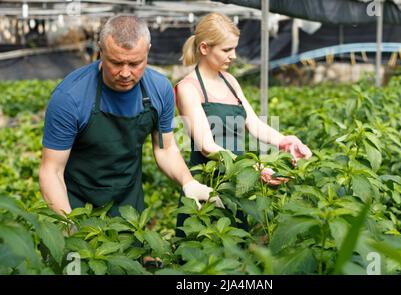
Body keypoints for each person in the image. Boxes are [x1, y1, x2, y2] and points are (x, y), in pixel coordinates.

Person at [39, 15, 217, 217]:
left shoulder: (159, 89)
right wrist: (68, 228)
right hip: (75, 206)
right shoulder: (70, 97)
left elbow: (166, 149)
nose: (125, 73)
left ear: (147, 51)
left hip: (129, 210)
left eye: (134, 63)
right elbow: (51, 171)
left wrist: (188, 181)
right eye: (115, 62)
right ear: (101, 50)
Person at [174, 12, 312, 234]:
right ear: (204, 48)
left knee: (235, 249)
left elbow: (254, 123)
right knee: (203, 254)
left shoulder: (230, 81)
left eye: (234, 48)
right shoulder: (188, 88)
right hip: (207, 184)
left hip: (236, 185)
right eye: (227, 50)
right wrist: (254, 168)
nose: (234, 56)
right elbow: (207, 147)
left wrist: (285, 141)